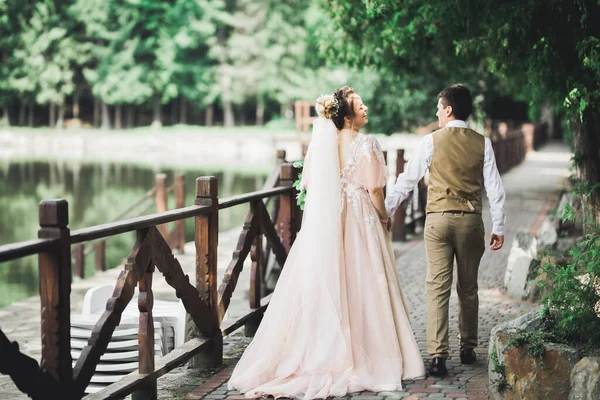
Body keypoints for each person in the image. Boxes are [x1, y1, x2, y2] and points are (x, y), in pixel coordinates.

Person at [228, 86, 425, 399]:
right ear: (347, 116)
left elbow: (308, 186)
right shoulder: (367, 144)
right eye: (360, 106)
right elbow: (374, 190)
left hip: (332, 222)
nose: (366, 109)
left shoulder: (322, 147)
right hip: (360, 218)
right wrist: (384, 218)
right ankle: (370, 355)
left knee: (336, 281)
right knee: (364, 282)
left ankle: (324, 350)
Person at [385, 84, 506, 377]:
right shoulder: (483, 143)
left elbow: (407, 180)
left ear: (448, 109)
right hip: (470, 222)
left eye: (439, 108)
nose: (437, 114)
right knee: (468, 288)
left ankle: (438, 357)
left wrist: (384, 210)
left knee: (437, 288)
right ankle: (468, 349)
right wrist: (499, 226)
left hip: (438, 221)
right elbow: (495, 188)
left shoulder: (431, 141)